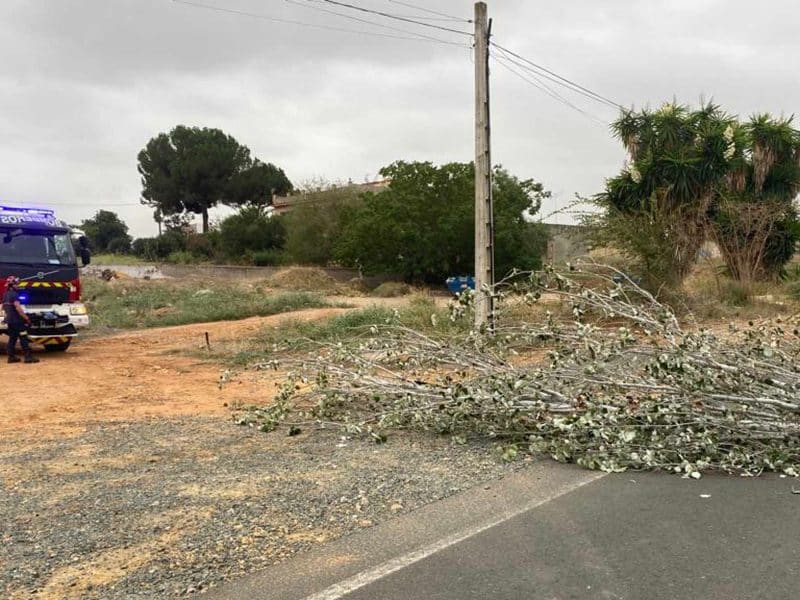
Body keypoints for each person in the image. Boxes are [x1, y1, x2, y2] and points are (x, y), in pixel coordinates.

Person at [2, 276, 39, 363]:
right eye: (16, 284)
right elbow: (18, 308)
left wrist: (6, 317)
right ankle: (28, 357)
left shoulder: (5, 294)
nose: (18, 286)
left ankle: (11, 357)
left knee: (13, 338)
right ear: (11, 285)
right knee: (23, 337)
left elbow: (3, 307)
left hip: (10, 321)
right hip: (18, 321)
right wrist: (26, 318)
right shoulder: (15, 295)